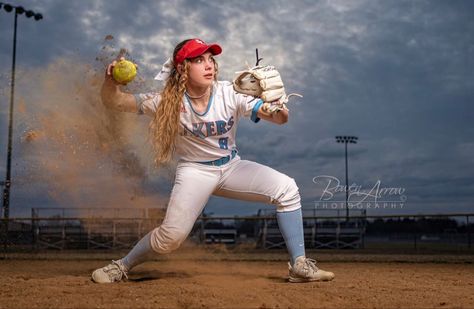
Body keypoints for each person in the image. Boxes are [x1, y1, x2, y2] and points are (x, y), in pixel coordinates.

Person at [92, 38, 335, 283]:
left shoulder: (229, 93)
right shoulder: (166, 100)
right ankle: (121, 266)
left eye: (210, 59)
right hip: (194, 172)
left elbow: (281, 119)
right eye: (198, 60)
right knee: (170, 238)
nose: (209, 65)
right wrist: (111, 82)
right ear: (182, 69)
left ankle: (299, 265)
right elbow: (114, 101)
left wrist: (277, 102)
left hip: (231, 167)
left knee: (287, 189)